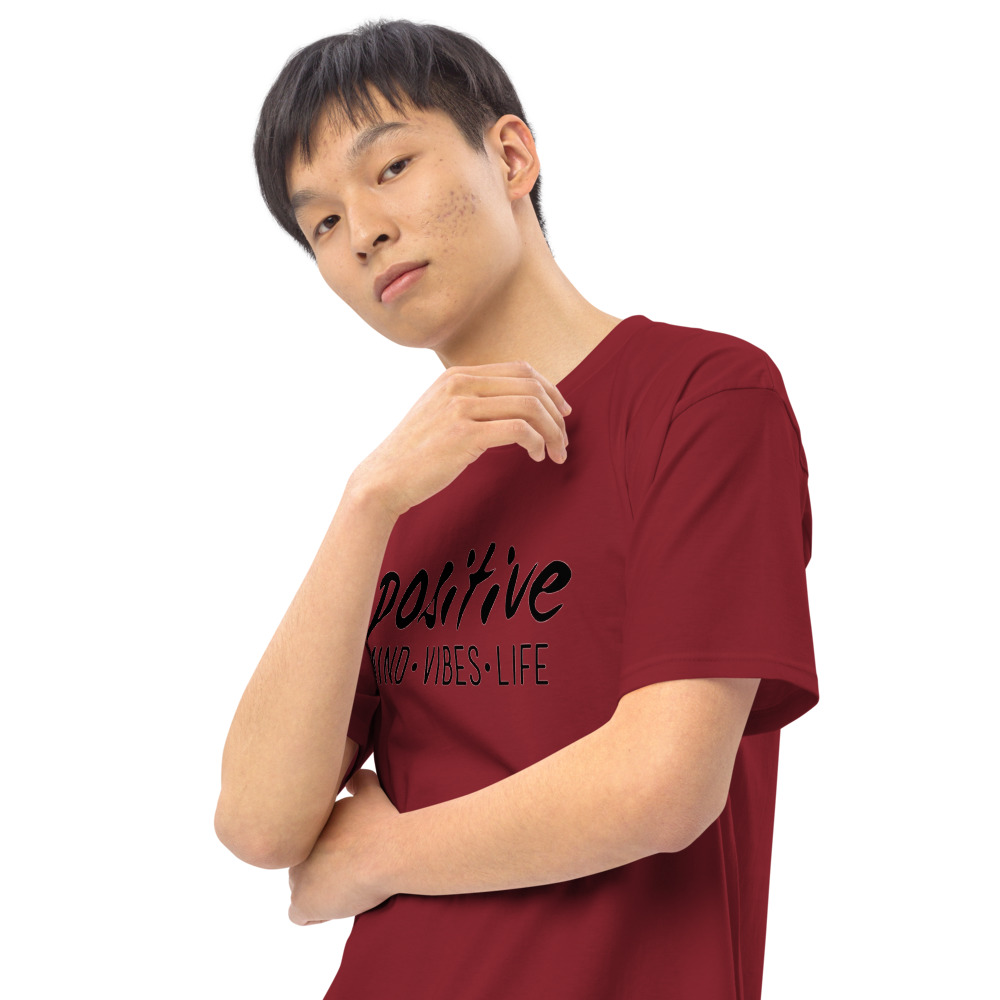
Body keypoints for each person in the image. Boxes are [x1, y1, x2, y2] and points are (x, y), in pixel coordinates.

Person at [214, 18, 819, 1000]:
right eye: (320, 223)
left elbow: (663, 783)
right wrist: (365, 503)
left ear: (509, 156)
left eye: (392, 167)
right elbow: (258, 822)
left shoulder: (702, 396)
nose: (362, 232)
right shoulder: (404, 488)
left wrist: (381, 855)